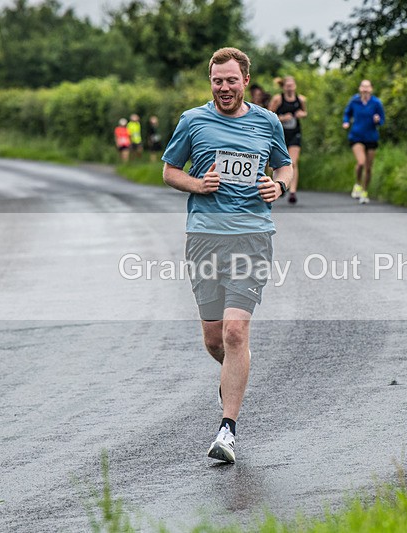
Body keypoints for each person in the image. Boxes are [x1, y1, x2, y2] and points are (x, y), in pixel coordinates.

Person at [161, 47, 292, 463]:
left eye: (231, 80)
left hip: (252, 235)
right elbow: (169, 170)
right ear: (211, 82)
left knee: (236, 332)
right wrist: (197, 185)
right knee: (215, 338)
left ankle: (227, 430)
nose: (224, 87)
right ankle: (235, 369)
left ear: (245, 81)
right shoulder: (192, 121)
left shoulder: (267, 122)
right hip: (204, 237)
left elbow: (284, 166)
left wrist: (280, 186)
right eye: (217, 80)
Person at [342, 80, 385, 205]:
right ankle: (357, 184)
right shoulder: (354, 101)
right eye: (363, 87)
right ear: (360, 88)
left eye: (367, 87)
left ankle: (365, 192)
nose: (365, 89)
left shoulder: (376, 103)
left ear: (371, 89)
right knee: (361, 162)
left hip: (371, 137)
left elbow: (382, 119)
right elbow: (347, 113)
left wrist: (377, 120)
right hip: (356, 136)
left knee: (368, 168)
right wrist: (346, 122)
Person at [268, 76, 307, 204]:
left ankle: (293, 192)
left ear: (295, 86)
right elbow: (268, 116)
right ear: (284, 87)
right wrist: (282, 118)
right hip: (280, 135)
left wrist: (302, 114)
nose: (290, 87)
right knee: (275, 163)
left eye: (292, 84)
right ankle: (277, 186)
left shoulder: (300, 99)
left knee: (293, 162)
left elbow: (304, 112)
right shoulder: (278, 99)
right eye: (287, 85)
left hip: (295, 133)